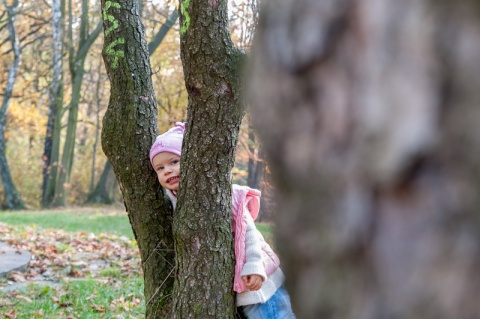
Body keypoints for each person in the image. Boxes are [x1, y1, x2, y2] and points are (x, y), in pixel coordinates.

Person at [149, 122, 295, 319]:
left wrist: (255, 266)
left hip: (262, 287)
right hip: (243, 289)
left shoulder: (224, 194)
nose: (167, 170)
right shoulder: (177, 200)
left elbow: (249, 231)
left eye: (174, 162)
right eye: (160, 168)